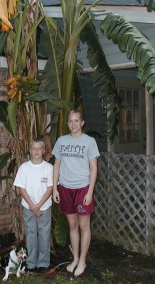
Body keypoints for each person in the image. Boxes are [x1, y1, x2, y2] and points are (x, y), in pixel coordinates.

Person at [52, 110, 100, 277]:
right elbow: (57, 166)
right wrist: (54, 188)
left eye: (76, 121)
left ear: (82, 122)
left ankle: (82, 261)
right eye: (70, 121)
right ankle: (75, 258)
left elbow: (94, 168)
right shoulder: (61, 141)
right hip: (65, 188)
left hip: (82, 189)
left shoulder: (89, 141)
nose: (73, 124)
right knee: (72, 226)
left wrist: (89, 191)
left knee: (84, 226)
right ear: (68, 124)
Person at [13, 137, 54, 273]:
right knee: (31, 234)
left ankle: (43, 262)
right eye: (33, 148)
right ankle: (31, 263)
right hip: (28, 207)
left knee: (44, 234)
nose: (36, 151)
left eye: (39, 148)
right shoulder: (24, 168)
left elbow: (50, 189)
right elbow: (21, 189)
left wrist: (39, 205)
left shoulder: (49, 168)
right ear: (30, 150)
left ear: (44, 150)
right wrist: (32, 206)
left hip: (45, 207)